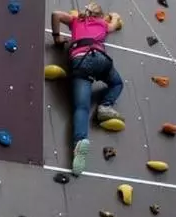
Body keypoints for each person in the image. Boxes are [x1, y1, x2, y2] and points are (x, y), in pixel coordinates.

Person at [51, 3, 124, 176]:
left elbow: (55, 14)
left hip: (80, 60)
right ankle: (105, 106)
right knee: (117, 83)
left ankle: (80, 143)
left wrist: (57, 38)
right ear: (100, 16)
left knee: (81, 108)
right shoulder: (103, 24)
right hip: (100, 59)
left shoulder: (75, 21)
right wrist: (113, 16)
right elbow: (114, 24)